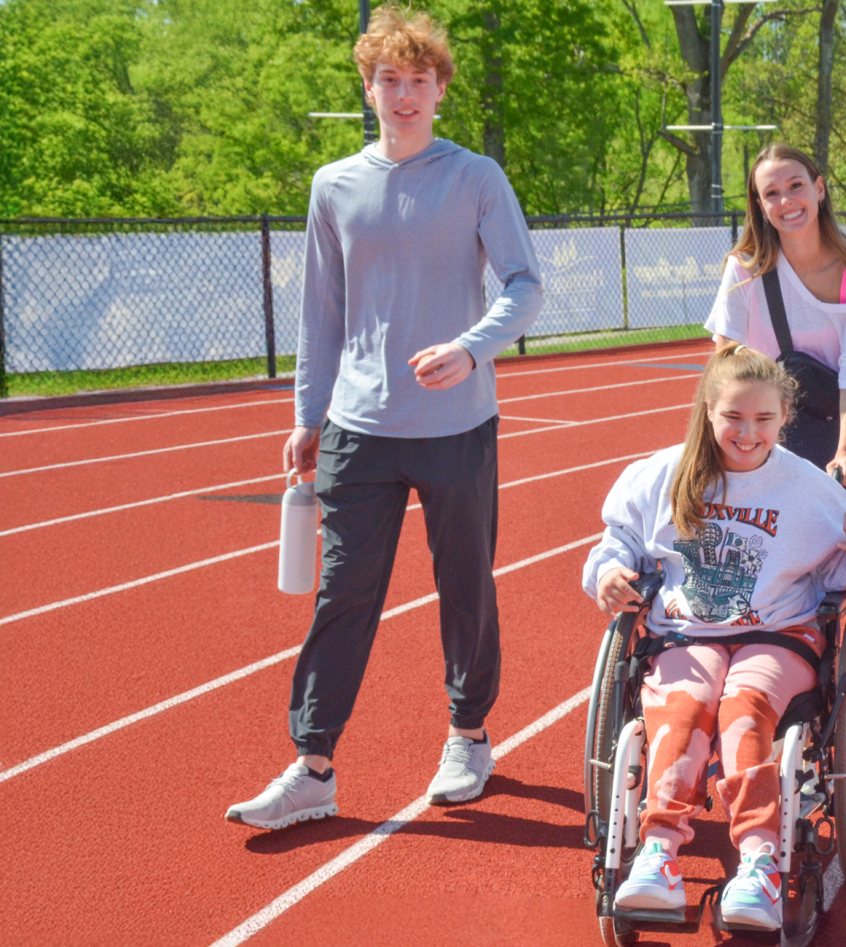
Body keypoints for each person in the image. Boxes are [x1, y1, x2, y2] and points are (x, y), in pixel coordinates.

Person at [227, 6, 542, 832]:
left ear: (441, 90)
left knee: (464, 586)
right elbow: (321, 314)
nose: (404, 96)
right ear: (367, 88)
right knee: (343, 594)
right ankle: (314, 764)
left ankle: (469, 734)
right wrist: (307, 414)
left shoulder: (476, 177)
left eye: (419, 82)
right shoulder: (333, 185)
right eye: (388, 81)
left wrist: (470, 350)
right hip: (358, 428)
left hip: (457, 424)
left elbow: (522, 284)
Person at [585, 343, 846, 931]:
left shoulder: (810, 490)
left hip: (777, 635)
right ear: (708, 410)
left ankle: (758, 861)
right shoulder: (660, 475)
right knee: (685, 708)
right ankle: (658, 852)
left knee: (744, 707)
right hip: (685, 635)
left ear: (785, 417)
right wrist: (606, 574)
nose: (748, 432)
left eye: (763, 419)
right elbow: (616, 542)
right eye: (733, 416)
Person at [706, 144, 846, 485]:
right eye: (771, 193)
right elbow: (726, 362)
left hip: (835, 430)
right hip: (763, 437)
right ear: (760, 206)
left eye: (795, 186)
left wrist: (845, 451)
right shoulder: (745, 268)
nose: (786, 201)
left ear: (819, 189)